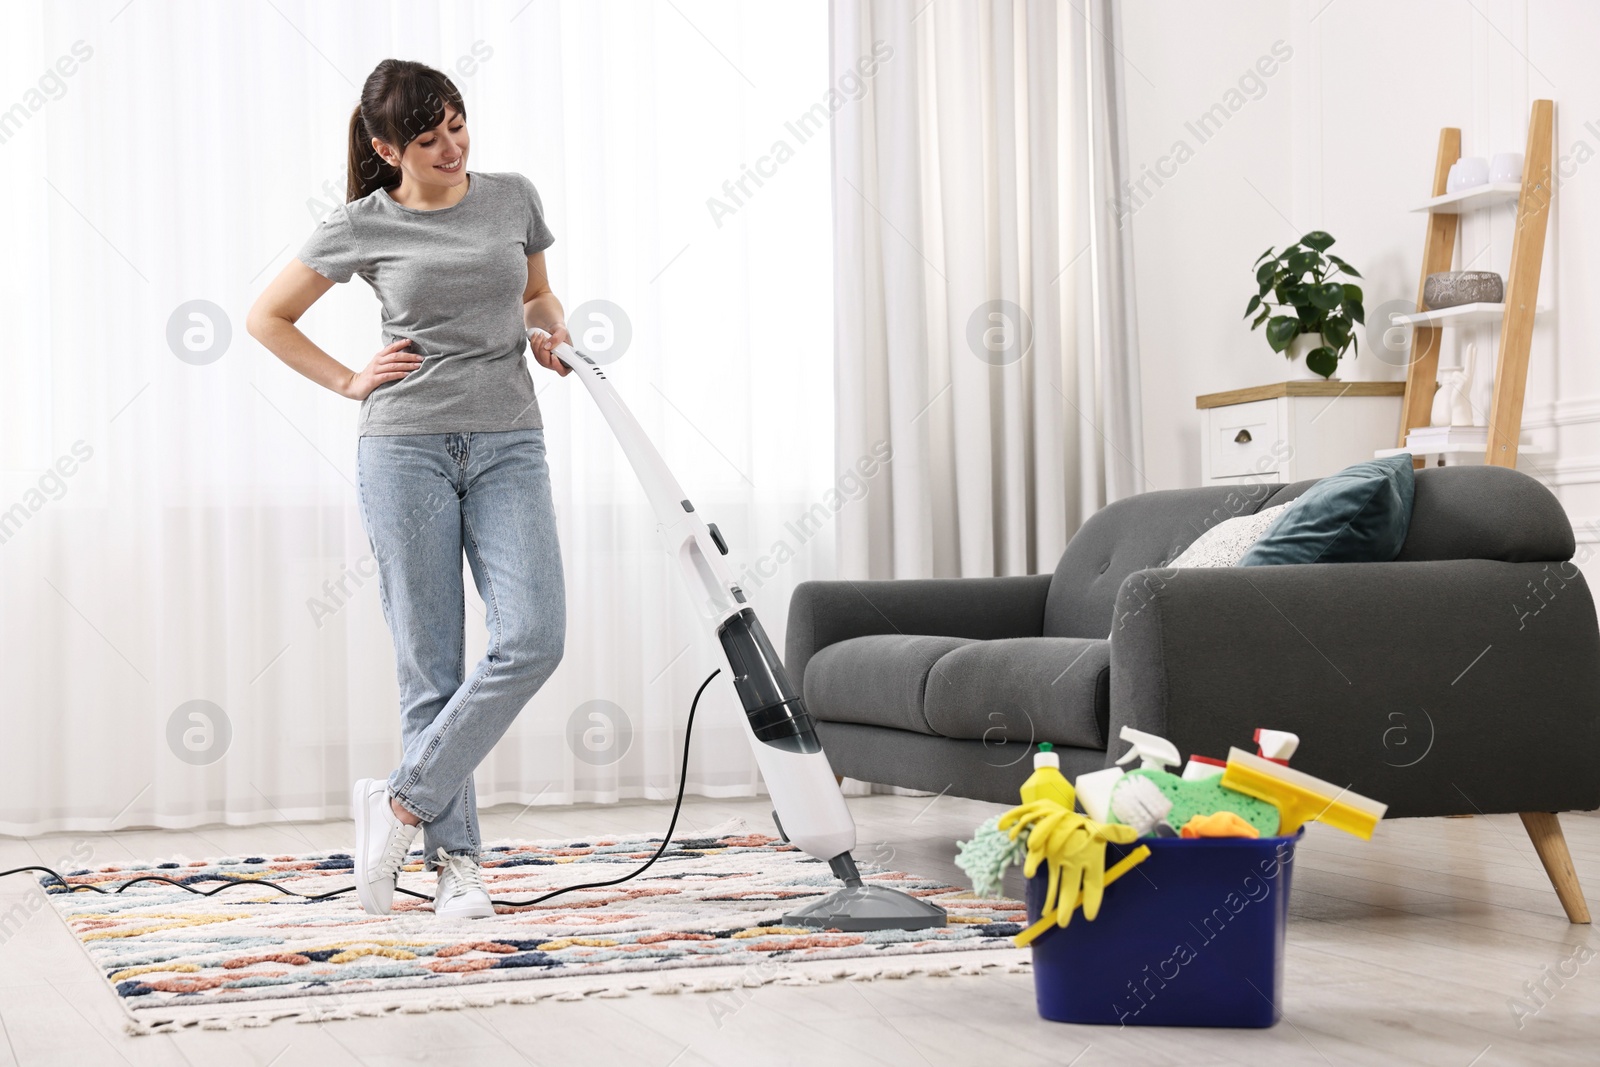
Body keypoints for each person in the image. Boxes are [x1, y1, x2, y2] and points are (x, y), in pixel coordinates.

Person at [247, 58, 570, 920]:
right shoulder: (363, 223)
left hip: (509, 442)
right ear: (387, 147)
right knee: (430, 663)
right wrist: (351, 379)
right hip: (406, 449)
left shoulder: (512, 198)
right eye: (428, 140)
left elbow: (537, 294)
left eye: (458, 126)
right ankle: (455, 863)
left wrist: (551, 332)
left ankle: (397, 802)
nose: (452, 148)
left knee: (534, 637)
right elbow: (266, 318)